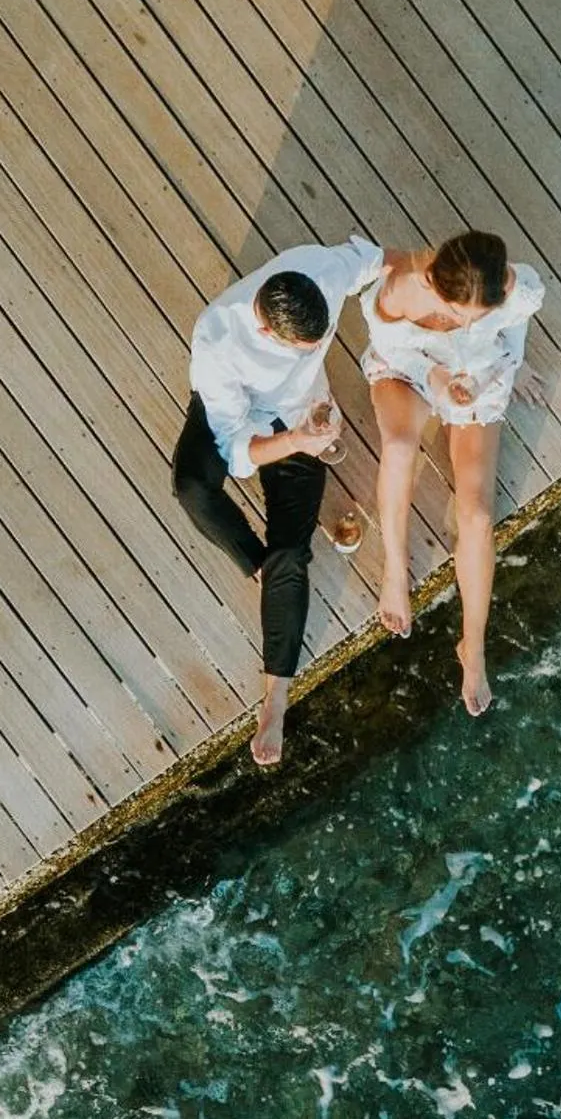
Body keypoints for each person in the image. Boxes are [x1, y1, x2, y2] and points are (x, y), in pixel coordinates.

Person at [173, 238, 384, 768]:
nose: (312, 354)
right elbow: (235, 452)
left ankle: (276, 699)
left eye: (317, 345)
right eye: (301, 349)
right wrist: (294, 443)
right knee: (193, 487)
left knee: (292, 552)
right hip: (243, 422)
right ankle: (254, 565)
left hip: (304, 420)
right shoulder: (219, 344)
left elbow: (386, 260)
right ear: (267, 329)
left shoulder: (323, 272)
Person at [361, 231, 545, 716]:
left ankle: (474, 645)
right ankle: (395, 570)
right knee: (400, 445)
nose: (476, 321)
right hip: (411, 373)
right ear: (441, 291)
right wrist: (438, 379)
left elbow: (514, 330)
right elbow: (394, 350)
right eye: (470, 315)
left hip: (475, 381)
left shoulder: (512, 287)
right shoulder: (402, 289)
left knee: (479, 515)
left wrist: (508, 368)